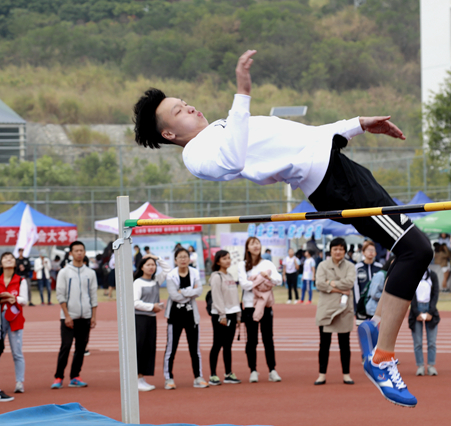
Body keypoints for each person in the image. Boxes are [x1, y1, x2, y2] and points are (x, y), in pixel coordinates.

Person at [133, 50, 433, 406]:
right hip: (336, 184)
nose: (190, 107)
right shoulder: (197, 152)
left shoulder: (223, 127)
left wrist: (358, 124)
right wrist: (242, 92)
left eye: (185, 102)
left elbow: (306, 138)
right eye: (179, 111)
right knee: (417, 250)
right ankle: (382, 357)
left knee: (408, 251)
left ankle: (375, 327)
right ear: (168, 132)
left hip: (339, 172)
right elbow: (233, 160)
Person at [51, 241, 98, 389]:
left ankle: (75, 376)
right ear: (71, 253)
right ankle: (58, 377)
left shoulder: (90, 273)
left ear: (84, 252)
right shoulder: (64, 272)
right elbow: (60, 295)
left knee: (81, 347)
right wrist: (67, 315)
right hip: (69, 317)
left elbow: (93, 295)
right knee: (65, 346)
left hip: (85, 317)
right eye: (76, 251)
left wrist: (93, 316)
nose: (79, 253)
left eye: (81, 250)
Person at [237, 237, 282, 383]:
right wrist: (262, 279)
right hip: (250, 307)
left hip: (266, 306)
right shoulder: (242, 265)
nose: (256, 246)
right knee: (252, 340)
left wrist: (265, 278)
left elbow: (278, 280)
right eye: (252, 244)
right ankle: (253, 370)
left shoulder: (267, 263)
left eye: (257, 243)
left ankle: (272, 370)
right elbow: (244, 284)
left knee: (268, 339)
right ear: (247, 248)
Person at [163, 247, 208, 390]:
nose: (183, 259)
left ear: (189, 259)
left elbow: (199, 291)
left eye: (185, 257)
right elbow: (174, 295)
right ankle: (168, 378)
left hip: (191, 316)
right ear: (175, 260)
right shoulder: (171, 275)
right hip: (175, 316)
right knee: (171, 348)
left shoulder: (194, 273)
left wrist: (183, 291)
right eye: (180, 257)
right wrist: (190, 293)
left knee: (194, 349)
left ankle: (198, 377)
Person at [314, 237, 356, 386]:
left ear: (345, 251)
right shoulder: (323, 265)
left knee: (344, 344)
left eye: (341, 249)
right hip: (326, 308)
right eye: (335, 249)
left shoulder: (350, 266)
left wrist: (330, 283)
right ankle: (321, 375)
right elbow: (319, 284)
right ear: (330, 250)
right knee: (324, 344)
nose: (338, 252)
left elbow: (349, 283)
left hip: (343, 308)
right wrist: (340, 289)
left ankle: (346, 374)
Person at [133, 254, 170, 392]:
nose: (151, 267)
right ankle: (136, 378)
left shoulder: (156, 280)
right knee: (139, 348)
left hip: (151, 319)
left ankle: (142, 377)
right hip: (140, 319)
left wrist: (156, 258)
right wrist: (151, 306)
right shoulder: (137, 283)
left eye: (153, 265)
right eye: (148, 264)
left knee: (149, 348)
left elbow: (167, 269)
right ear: (141, 267)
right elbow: (135, 302)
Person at [208, 250, 242, 386]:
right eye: (224, 258)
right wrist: (222, 315)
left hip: (232, 314)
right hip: (220, 315)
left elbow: (235, 297)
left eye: (228, 258)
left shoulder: (230, 276)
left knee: (228, 345)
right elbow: (216, 297)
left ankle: (228, 373)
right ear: (217, 261)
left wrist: (238, 315)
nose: (228, 260)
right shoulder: (216, 277)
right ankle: (213, 375)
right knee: (217, 344)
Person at [0, 252, 28, 394]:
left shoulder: (21, 280)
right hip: (0, 319)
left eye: (11, 258)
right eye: (5, 258)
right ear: (1, 264)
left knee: (17, 352)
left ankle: (19, 382)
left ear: (15, 263)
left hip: (14, 318)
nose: (8, 259)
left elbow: (24, 300)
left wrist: (14, 298)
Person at [408, 269, 440, 377]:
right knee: (418, 342)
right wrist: (416, 312)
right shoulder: (413, 275)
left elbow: (436, 294)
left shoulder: (433, 275)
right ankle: (420, 366)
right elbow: (410, 295)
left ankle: (431, 365)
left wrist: (430, 312)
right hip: (416, 309)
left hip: (430, 308)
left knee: (432, 342)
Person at [354, 241, 382, 320]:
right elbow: (356, 287)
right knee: (362, 326)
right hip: (362, 303)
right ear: (363, 252)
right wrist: (358, 303)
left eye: (373, 250)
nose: (371, 252)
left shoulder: (380, 267)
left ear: (375, 253)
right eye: (368, 250)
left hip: (376, 305)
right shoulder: (357, 267)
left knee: (375, 326)